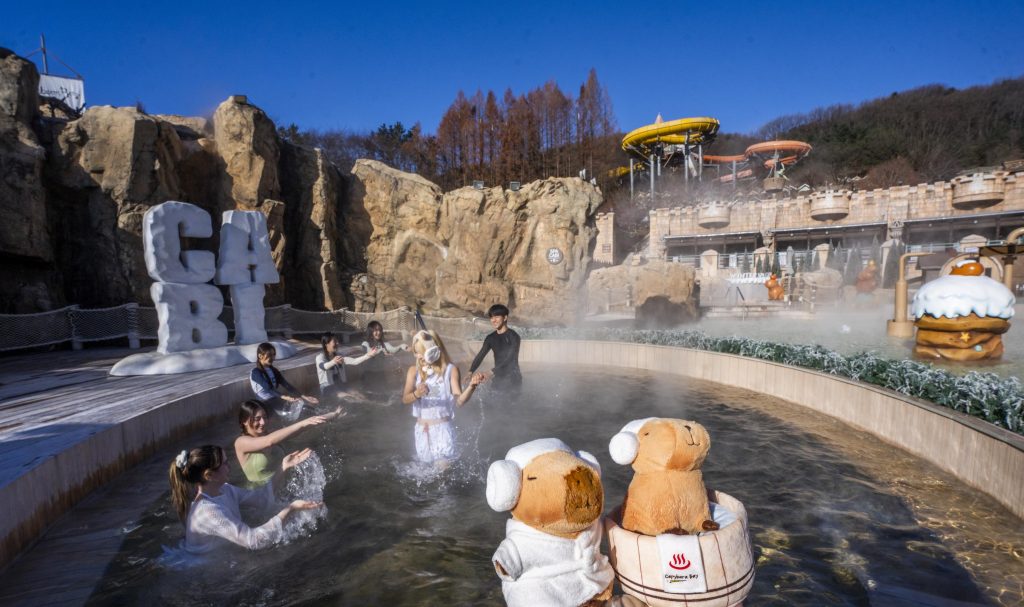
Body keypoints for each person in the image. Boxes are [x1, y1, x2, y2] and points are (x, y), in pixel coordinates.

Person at [168, 444, 321, 553]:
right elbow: (253, 540)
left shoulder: (225, 489)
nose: (230, 467)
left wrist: (283, 467)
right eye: (225, 464)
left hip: (220, 559)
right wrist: (291, 509)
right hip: (201, 570)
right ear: (210, 475)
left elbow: (261, 498)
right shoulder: (207, 512)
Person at [401, 330, 485, 465]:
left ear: (433, 350)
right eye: (416, 352)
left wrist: (472, 386)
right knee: (425, 474)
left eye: (421, 352)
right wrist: (417, 394)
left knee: (442, 471)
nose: (418, 356)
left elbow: (459, 401)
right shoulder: (413, 371)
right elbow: (405, 399)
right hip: (421, 431)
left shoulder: (450, 370)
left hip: (442, 430)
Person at [234, 400, 345, 487]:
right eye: (257, 419)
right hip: (260, 498)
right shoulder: (241, 442)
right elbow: (268, 442)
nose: (263, 422)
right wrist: (303, 423)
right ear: (244, 421)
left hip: (281, 489)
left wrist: (333, 415)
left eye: (264, 417)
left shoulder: (270, 435)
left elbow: (303, 428)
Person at [250, 342, 319, 420]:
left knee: (303, 407)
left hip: (276, 399)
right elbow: (268, 388)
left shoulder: (273, 370)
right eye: (269, 355)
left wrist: (304, 397)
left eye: (273, 355)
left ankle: (321, 414)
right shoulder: (255, 372)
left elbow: (286, 385)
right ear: (260, 356)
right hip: (264, 403)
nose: (272, 358)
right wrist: (286, 397)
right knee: (296, 414)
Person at [468, 304, 522, 395]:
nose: (493, 320)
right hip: (498, 377)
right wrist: (471, 371)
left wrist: (491, 371)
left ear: (505, 318)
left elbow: (510, 358)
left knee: (511, 407)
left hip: (512, 378)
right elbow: (481, 355)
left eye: (496, 317)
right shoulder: (490, 338)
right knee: (493, 402)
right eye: (491, 317)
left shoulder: (514, 336)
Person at [316, 332, 381, 403]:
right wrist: (333, 362)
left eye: (337, 341)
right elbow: (323, 366)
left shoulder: (339, 356)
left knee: (358, 394)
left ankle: (373, 404)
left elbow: (354, 361)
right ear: (326, 344)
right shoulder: (320, 357)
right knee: (350, 397)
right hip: (328, 388)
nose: (337, 343)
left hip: (341, 385)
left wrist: (368, 355)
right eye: (334, 341)